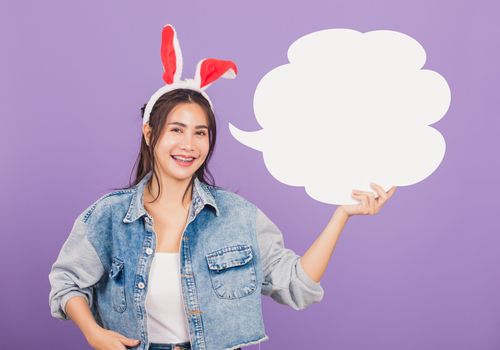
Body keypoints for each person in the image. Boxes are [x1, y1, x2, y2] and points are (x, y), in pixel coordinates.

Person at [48, 25, 396, 350]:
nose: (189, 144)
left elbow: (296, 286)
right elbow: (67, 282)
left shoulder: (237, 216)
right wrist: (93, 332)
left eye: (200, 132)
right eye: (176, 130)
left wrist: (341, 216)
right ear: (150, 133)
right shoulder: (110, 215)